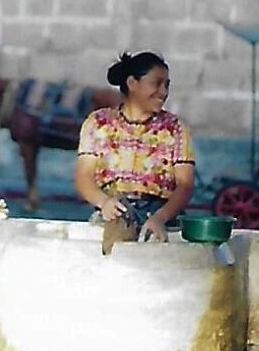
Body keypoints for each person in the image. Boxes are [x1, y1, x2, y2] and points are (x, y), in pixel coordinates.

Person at [74, 50, 195, 248]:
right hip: (115, 209)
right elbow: (83, 177)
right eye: (156, 84)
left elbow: (185, 185)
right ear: (132, 83)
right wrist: (104, 203)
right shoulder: (97, 123)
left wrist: (160, 218)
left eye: (167, 85)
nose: (163, 92)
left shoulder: (176, 129)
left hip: (161, 214)